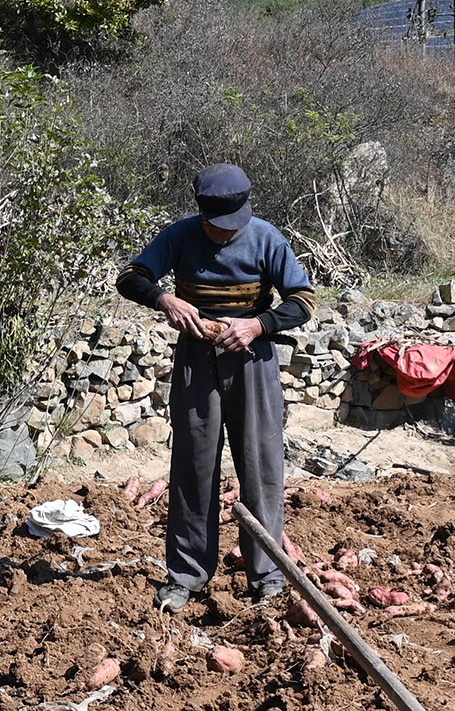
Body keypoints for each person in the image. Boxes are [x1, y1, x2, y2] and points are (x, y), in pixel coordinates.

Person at [113, 163, 315, 611]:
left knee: (261, 466)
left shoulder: (266, 238)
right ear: (202, 213)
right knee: (194, 464)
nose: (225, 232)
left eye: (232, 224)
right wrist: (165, 299)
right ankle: (187, 575)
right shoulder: (180, 236)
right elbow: (129, 277)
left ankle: (267, 574)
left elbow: (303, 301)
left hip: (252, 359)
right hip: (196, 360)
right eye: (216, 224)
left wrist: (258, 325)